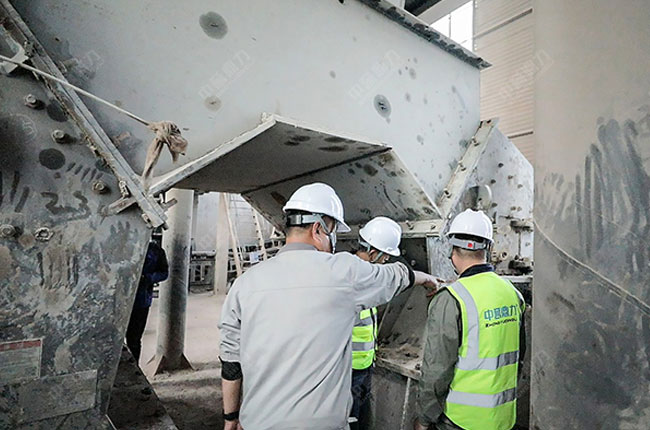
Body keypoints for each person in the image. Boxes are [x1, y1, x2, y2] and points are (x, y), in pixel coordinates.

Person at [219, 182, 439, 430]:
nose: (333, 241)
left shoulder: (244, 283)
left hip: (257, 422)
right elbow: (395, 276)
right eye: (332, 231)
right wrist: (427, 279)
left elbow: (230, 362)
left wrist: (230, 418)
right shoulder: (344, 272)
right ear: (318, 229)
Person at [414, 209, 526, 430]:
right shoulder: (513, 294)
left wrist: (424, 418)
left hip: (462, 420)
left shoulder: (451, 298)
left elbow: (437, 371)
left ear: (452, 249)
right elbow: (518, 357)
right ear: (488, 248)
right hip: (503, 418)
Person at [349, 216, 403, 430]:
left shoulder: (367, 278)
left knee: (361, 419)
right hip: (348, 372)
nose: (385, 262)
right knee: (349, 421)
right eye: (385, 257)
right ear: (373, 253)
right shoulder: (352, 277)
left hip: (364, 366)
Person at [126, 234, 169, 363]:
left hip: (140, 301)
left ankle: (134, 368)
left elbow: (164, 273)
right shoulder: (122, 246)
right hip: (117, 302)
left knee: (134, 339)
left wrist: (147, 278)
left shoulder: (155, 251)